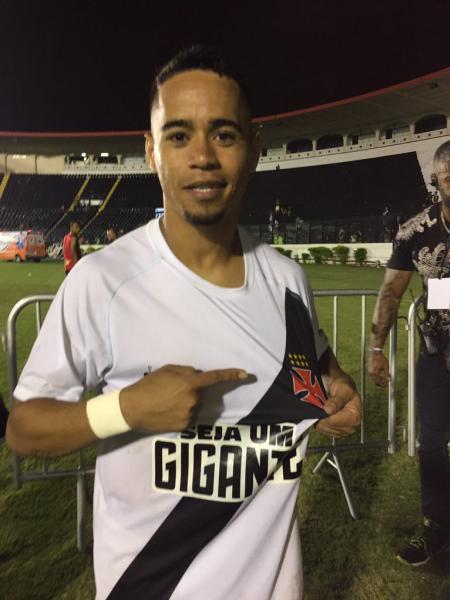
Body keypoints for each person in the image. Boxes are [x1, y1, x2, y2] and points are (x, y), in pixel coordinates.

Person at [6, 46, 361, 600]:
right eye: (178, 135)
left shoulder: (288, 281)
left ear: (254, 148)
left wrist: (337, 389)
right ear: (152, 150)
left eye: (224, 134)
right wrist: (126, 408)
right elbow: (24, 428)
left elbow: (317, 365)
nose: (202, 156)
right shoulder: (103, 282)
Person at [368, 140, 450, 567]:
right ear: (436, 180)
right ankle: (436, 530)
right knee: (432, 443)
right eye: (448, 176)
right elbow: (390, 292)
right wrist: (375, 347)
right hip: (438, 354)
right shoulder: (415, 232)